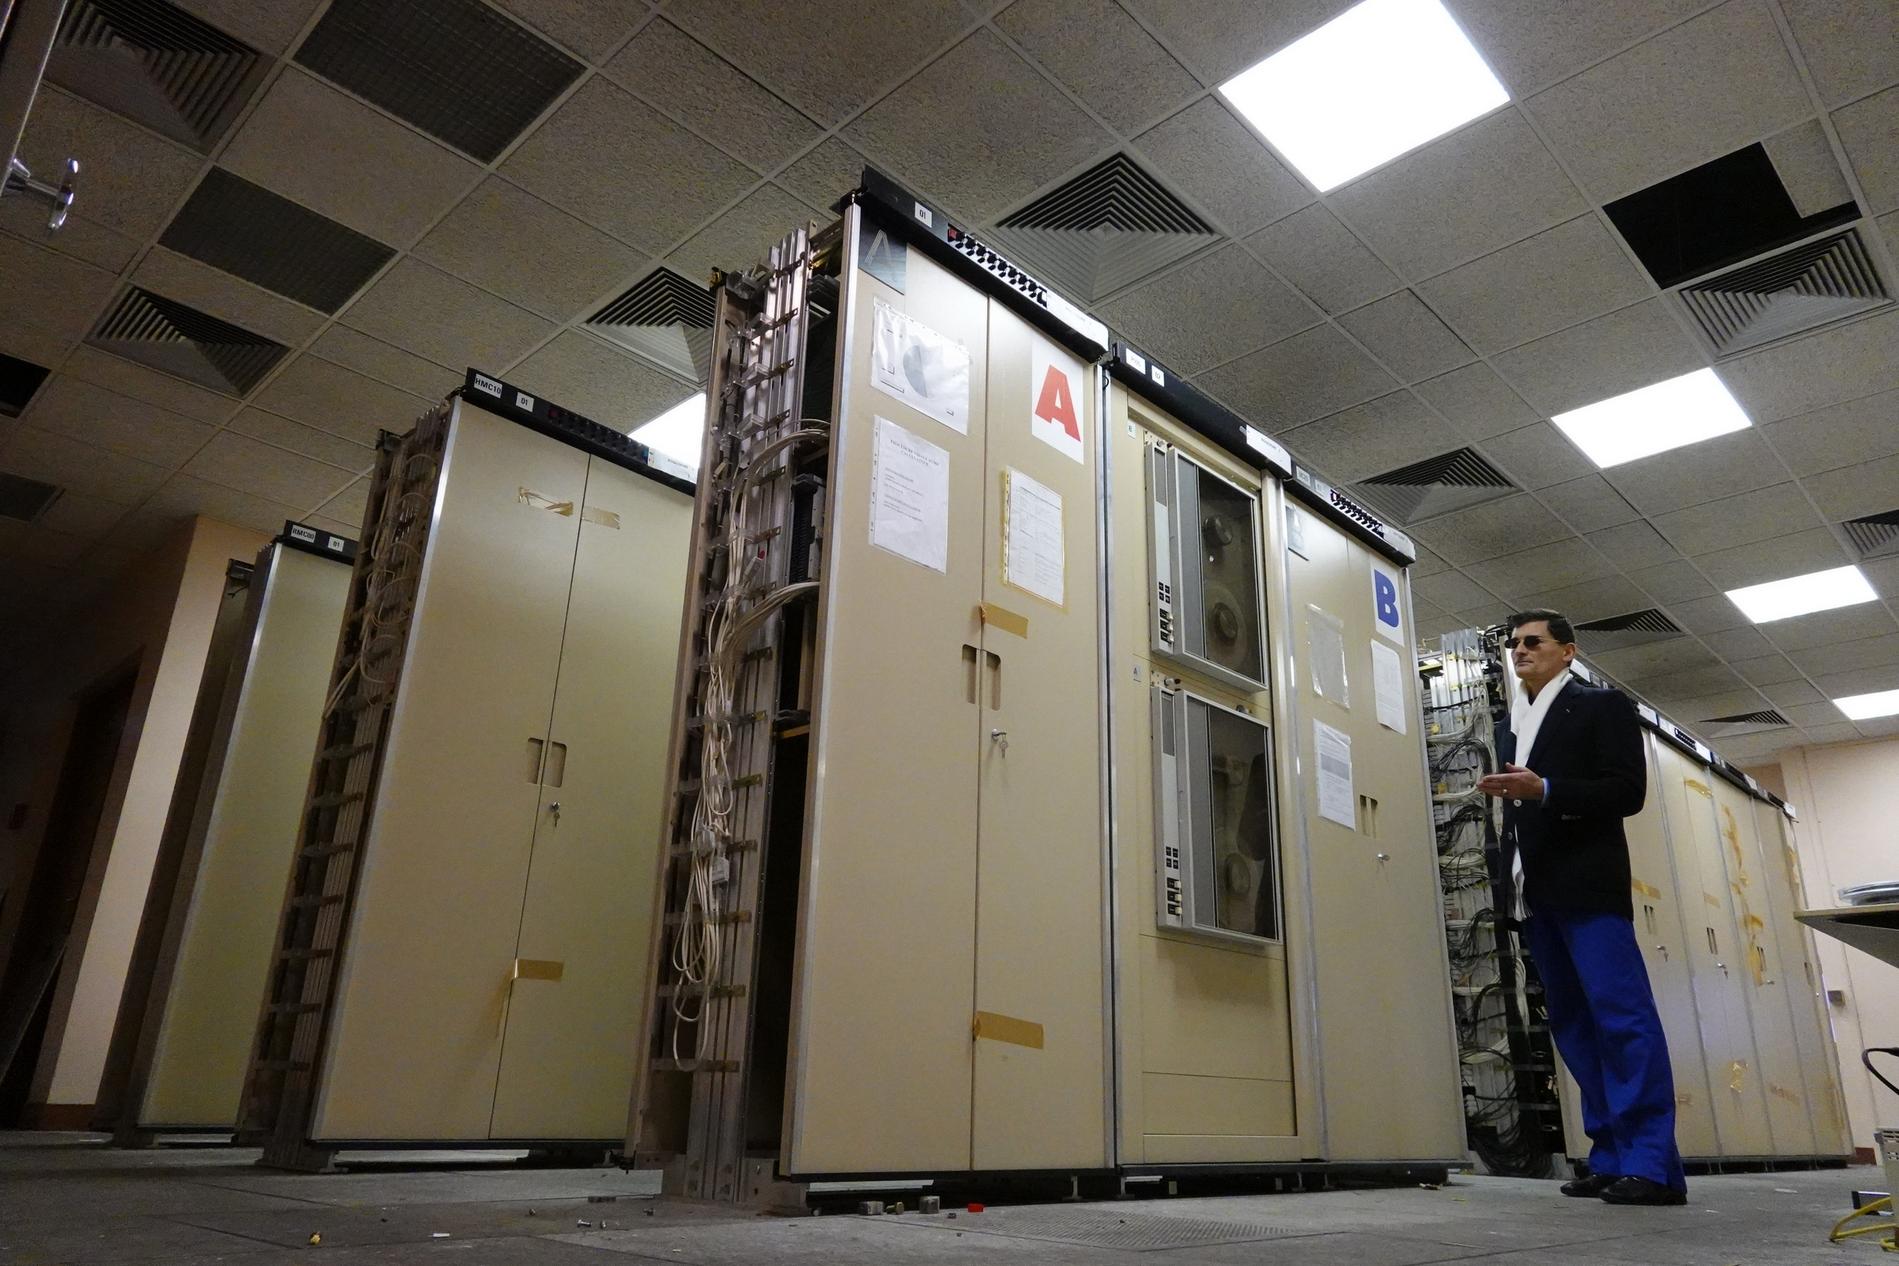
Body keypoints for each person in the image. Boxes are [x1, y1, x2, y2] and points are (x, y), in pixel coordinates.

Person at [1475, 609, 1687, 1207]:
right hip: (1536, 895)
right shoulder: (1512, 725)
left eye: (1533, 642)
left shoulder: (1601, 706)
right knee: (1573, 1026)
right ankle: (1612, 1156)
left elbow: (1626, 791)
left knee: (1622, 1020)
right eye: (1514, 644)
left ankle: (1653, 1165)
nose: (1520, 651)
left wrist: (1545, 789)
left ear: (1568, 651)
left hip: (1589, 891)